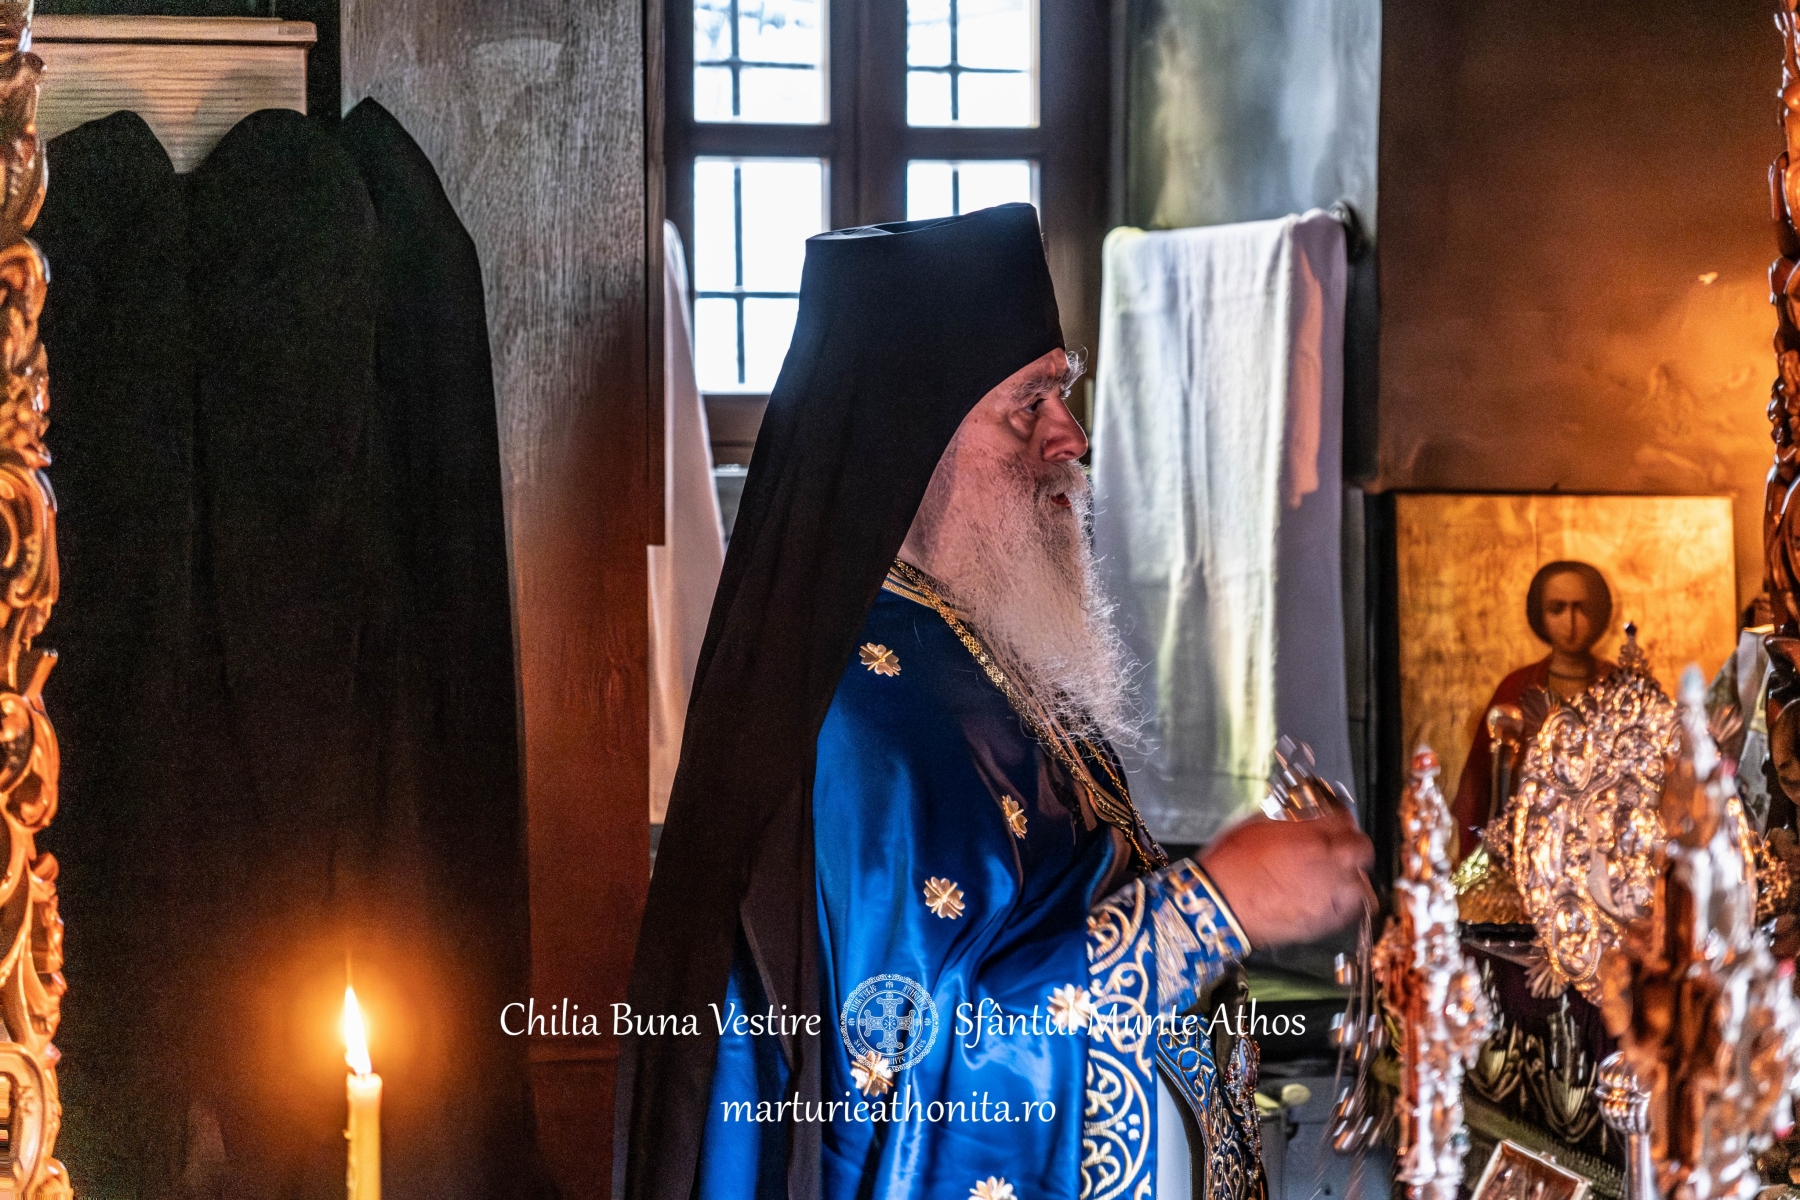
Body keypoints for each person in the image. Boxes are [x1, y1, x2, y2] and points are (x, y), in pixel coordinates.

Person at [615, 205, 1373, 1200]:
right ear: (911, 436)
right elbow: (914, 1066)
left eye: (1066, 391)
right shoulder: (854, 716)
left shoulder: (986, 648)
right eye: (1029, 405)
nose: (1073, 436)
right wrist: (1209, 911)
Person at [1451, 560, 1615, 856]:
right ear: (1540, 615)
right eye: (1557, 609)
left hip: (1604, 846)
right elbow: (1479, 787)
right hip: (1528, 848)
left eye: (1581, 608)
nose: (1570, 622)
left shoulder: (1620, 687)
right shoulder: (1516, 688)